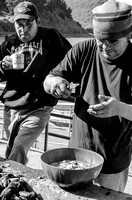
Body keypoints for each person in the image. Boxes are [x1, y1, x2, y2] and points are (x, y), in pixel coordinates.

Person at [44, 0, 132, 192]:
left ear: (129, 34)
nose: (105, 47)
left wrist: (119, 108)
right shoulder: (83, 49)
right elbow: (50, 78)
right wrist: (54, 84)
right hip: (76, 155)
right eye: (101, 40)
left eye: (113, 41)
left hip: (113, 161)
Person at [0, 1, 71, 165]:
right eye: (19, 24)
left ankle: (12, 182)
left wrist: (62, 79)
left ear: (37, 22)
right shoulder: (9, 43)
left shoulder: (50, 37)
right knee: (11, 150)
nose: (23, 29)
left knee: (18, 149)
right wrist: (3, 67)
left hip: (40, 106)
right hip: (12, 106)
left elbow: (72, 60)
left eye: (28, 24)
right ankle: (13, 181)